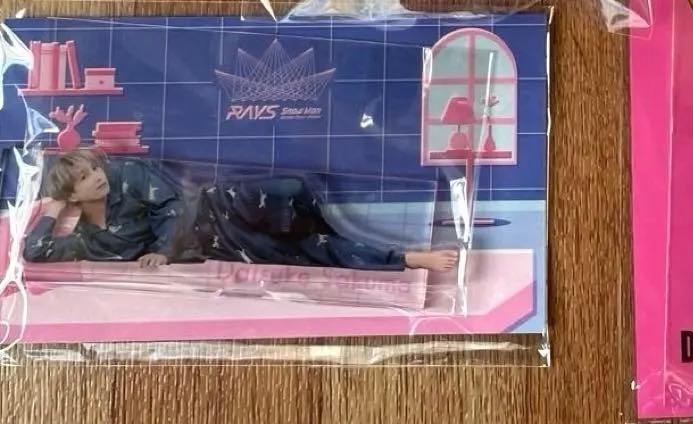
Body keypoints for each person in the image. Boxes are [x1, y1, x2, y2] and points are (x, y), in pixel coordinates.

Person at [24, 149, 457, 274]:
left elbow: (173, 204)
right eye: (83, 179)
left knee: (293, 189)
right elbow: (34, 252)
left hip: (222, 204)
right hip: (223, 243)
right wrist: (53, 207)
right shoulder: (93, 242)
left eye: (94, 169)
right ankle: (407, 257)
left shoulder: (129, 176)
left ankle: (366, 217)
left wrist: (160, 250)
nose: (96, 177)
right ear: (72, 195)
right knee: (311, 250)